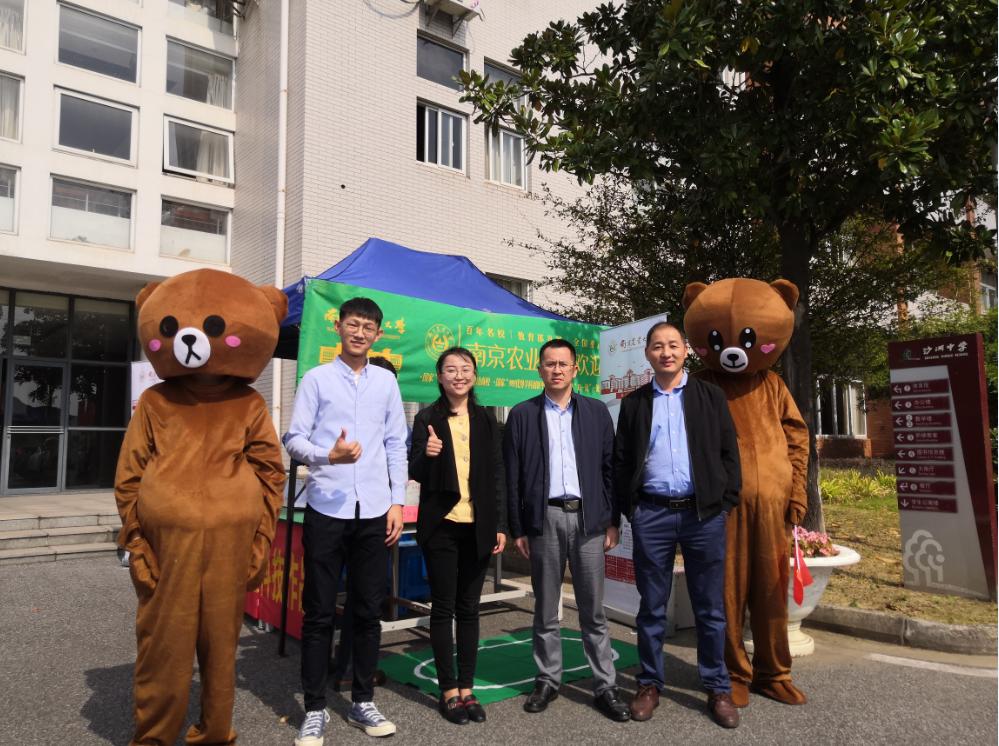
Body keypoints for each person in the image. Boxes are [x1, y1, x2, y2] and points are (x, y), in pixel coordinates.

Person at [284, 298, 408, 744]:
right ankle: (315, 707)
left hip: (374, 510)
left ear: (378, 334)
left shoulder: (386, 382)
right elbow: (293, 439)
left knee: (368, 610)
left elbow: (396, 443)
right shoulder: (316, 379)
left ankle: (362, 700)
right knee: (319, 612)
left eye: (368, 327)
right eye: (353, 324)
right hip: (327, 508)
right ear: (338, 327)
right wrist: (327, 456)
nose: (360, 332)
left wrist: (397, 502)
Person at [613, 322, 742, 728]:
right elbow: (621, 460)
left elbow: (729, 452)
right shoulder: (635, 403)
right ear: (647, 354)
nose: (665, 352)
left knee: (709, 606)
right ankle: (649, 683)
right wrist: (630, 509)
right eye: (657, 346)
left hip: (703, 515)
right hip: (652, 514)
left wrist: (724, 503)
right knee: (652, 606)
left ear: (685, 350)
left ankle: (717, 686)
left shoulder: (709, 396)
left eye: (672, 345)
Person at [504, 338, 630, 722]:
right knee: (545, 608)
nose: (556, 370)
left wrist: (612, 520)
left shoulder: (595, 412)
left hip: (589, 520)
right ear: (539, 369)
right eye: (549, 363)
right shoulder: (522, 415)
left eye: (563, 364)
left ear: (576, 369)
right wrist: (518, 528)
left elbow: (610, 469)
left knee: (593, 609)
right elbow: (512, 476)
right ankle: (547, 679)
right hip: (544, 519)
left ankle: (605, 685)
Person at [408, 347, 507, 725]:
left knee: (469, 608)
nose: (458, 375)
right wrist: (429, 454)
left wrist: (500, 525)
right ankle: (448, 689)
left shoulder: (486, 419)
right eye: (450, 369)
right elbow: (415, 470)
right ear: (439, 377)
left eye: (465, 369)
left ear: (474, 376)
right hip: (442, 525)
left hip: (478, 525)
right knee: (443, 607)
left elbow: (497, 473)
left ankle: (468, 687)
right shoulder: (427, 418)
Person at [328, 356, 398, 693]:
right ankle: (352, 670)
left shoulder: (387, 422)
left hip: (365, 514)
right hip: (364, 516)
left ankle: (347, 666)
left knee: (359, 597)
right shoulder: (350, 424)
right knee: (364, 598)